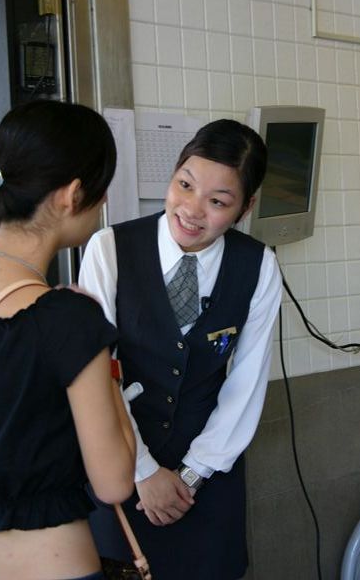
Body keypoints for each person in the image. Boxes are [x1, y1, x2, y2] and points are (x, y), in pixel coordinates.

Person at [79, 118, 283, 580]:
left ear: (246, 207)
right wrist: (144, 472)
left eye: (218, 201)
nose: (191, 210)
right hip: (120, 470)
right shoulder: (109, 249)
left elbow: (247, 382)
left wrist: (192, 474)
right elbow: (95, 373)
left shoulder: (258, 266)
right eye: (185, 185)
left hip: (206, 480)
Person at [0, 100, 136, 580]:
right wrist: (104, 359)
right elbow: (114, 483)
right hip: (55, 565)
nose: (103, 201)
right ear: (72, 195)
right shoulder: (70, 319)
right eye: (101, 189)